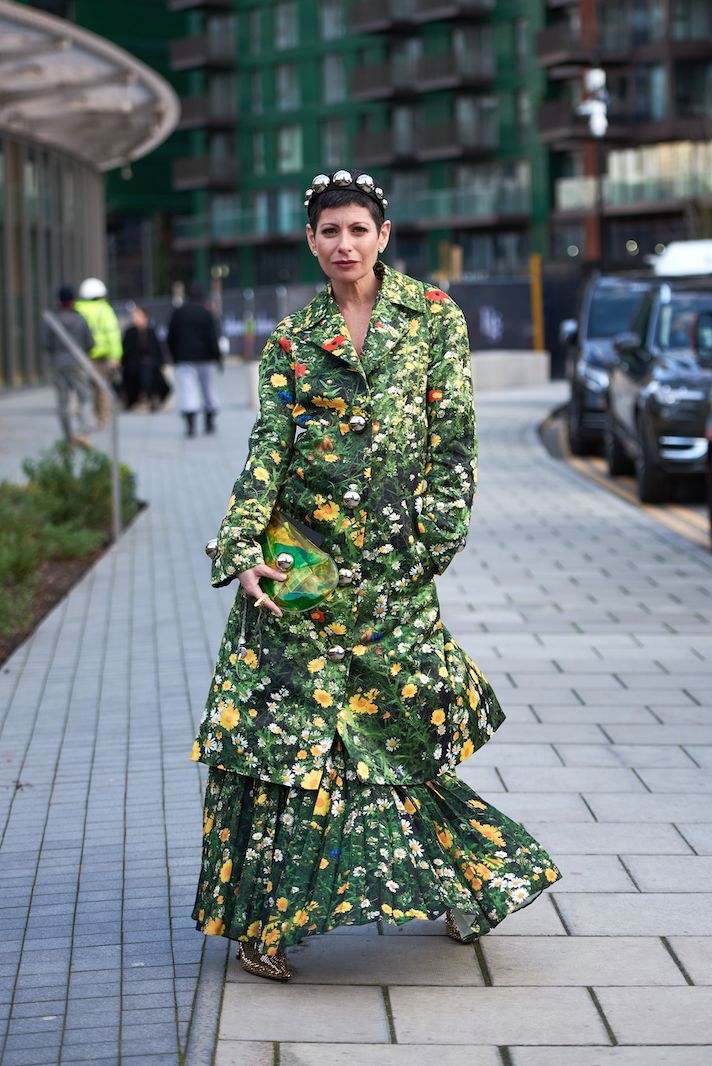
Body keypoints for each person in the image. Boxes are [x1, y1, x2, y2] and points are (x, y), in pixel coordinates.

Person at [190, 169, 562, 981]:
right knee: (288, 746)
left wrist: (433, 540)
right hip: (298, 569)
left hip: (395, 570)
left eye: (358, 229)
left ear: (383, 236)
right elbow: (269, 450)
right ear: (312, 240)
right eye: (330, 232)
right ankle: (268, 924)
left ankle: (471, 881)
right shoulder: (291, 338)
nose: (344, 244)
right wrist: (244, 546)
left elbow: (453, 438)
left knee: (398, 738)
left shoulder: (431, 318)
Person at [42, 284, 95, 447]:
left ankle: (68, 437)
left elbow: (46, 344)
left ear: (58, 300)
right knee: (85, 397)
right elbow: (90, 343)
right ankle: (83, 431)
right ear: (73, 300)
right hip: (77, 362)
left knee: (62, 402)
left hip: (58, 364)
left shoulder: (52, 320)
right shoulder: (80, 319)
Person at [166, 283, 222, 437]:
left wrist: (174, 355)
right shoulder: (206, 313)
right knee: (208, 389)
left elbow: (171, 336)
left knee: (187, 389)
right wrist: (217, 357)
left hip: (185, 357)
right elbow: (212, 337)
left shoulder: (178, 313)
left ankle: (190, 424)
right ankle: (209, 420)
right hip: (206, 357)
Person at [74, 277, 122, 426]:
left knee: (82, 389)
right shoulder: (104, 309)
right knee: (101, 388)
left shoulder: (77, 309)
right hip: (101, 356)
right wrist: (116, 356)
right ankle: (102, 418)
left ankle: (83, 420)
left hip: (81, 356)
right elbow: (113, 333)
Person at [121, 306, 171, 411]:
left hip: (150, 366)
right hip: (133, 365)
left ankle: (150, 397)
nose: (135, 319)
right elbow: (126, 352)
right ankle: (140, 399)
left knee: (149, 371)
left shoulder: (151, 332)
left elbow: (157, 351)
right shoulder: (130, 333)